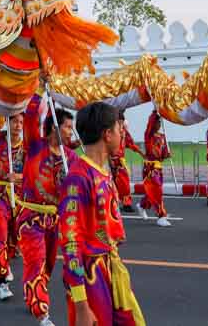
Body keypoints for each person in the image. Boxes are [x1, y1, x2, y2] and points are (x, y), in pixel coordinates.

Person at [59, 102, 145, 326]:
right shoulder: (78, 178)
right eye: (119, 128)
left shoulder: (103, 173)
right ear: (107, 134)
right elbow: (70, 244)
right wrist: (81, 306)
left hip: (110, 270)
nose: (122, 133)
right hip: (91, 277)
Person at [18, 100, 79, 326]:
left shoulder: (71, 158)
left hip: (55, 221)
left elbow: (75, 192)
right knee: (35, 261)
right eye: (67, 127)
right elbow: (32, 115)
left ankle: (34, 292)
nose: (70, 131)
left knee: (49, 265)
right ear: (55, 127)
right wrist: (40, 88)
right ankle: (41, 312)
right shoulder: (35, 145)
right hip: (31, 218)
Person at [0, 112, 25, 301]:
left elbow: (32, 174)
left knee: (14, 239)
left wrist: (18, 177)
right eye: (15, 121)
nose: (18, 125)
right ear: (7, 122)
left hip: (19, 198)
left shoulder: (27, 148)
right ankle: (2, 282)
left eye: (21, 122)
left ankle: (6, 255)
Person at [137, 109, 171, 227]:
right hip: (150, 168)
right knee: (157, 190)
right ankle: (161, 216)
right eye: (156, 122)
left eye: (159, 122)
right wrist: (155, 112)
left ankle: (142, 205)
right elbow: (150, 123)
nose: (158, 124)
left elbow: (163, 154)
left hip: (158, 167)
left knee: (153, 191)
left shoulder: (163, 136)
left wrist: (167, 154)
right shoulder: (148, 135)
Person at [111, 111, 142, 213]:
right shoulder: (110, 131)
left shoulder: (124, 132)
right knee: (114, 184)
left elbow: (130, 143)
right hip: (111, 161)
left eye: (121, 122)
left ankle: (125, 203)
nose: (120, 124)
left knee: (123, 184)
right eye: (118, 122)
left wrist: (140, 152)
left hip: (120, 162)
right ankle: (117, 203)